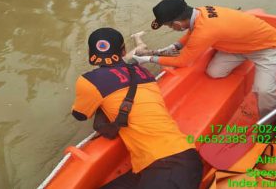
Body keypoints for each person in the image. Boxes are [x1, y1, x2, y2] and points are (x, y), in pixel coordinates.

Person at [71, 27, 203, 189]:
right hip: (161, 164)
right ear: (124, 50)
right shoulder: (144, 72)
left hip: (170, 163)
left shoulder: (89, 81)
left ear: (90, 54)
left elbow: (80, 115)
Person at [132, 0, 276, 124]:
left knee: (263, 90)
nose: (171, 28)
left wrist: (148, 58)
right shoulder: (200, 11)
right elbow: (192, 30)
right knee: (214, 72)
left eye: (169, 26)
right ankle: (243, 56)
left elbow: (182, 61)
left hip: (268, 48)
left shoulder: (206, 31)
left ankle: (270, 122)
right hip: (239, 47)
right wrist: (176, 45)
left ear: (177, 24)